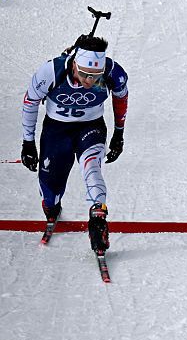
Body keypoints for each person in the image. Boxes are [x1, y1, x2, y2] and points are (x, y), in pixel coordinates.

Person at [20, 35, 129, 251]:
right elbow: (30, 101)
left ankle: (98, 217)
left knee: (91, 166)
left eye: (96, 76)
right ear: (74, 64)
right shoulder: (51, 71)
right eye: (86, 74)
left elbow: (121, 98)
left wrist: (119, 133)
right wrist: (28, 142)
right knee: (50, 188)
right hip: (56, 130)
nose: (90, 81)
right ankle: (52, 207)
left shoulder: (113, 72)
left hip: (91, 127)